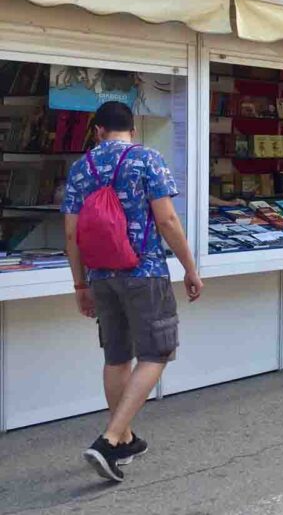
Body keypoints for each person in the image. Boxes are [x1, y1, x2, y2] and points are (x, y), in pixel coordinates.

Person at [62, 101, 203, 483]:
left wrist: (80, 284)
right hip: (145, 272)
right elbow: (168, 219)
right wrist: (190, 268)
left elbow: (72, 234)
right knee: (157, 352)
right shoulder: (147, 160)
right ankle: (109, 440)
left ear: (98, 131)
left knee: (117, 356)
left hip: (101, 277)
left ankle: (124, 439)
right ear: (132, 130)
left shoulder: (81, 167)